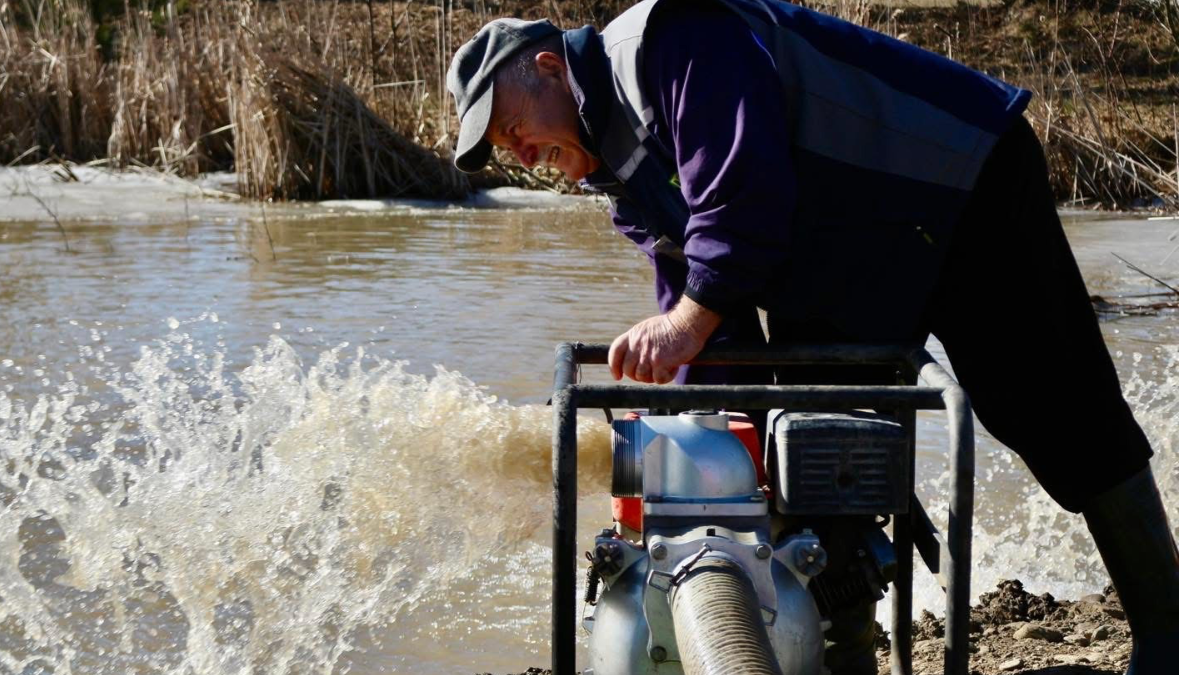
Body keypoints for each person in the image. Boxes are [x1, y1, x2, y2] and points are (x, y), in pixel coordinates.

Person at [445, 0, 1179, 672]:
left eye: (512, 127)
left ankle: (1168, 633)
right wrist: (702, 455)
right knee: (811, 451)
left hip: (953, 179)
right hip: (848, 249)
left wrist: (683, 327)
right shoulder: (621, 175)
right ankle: (842, 664)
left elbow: (742, 206)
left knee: (1050, 405)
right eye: (505, 149)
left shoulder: (675, 37)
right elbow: (712, 330)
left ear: (552, 68)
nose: (520, 154)